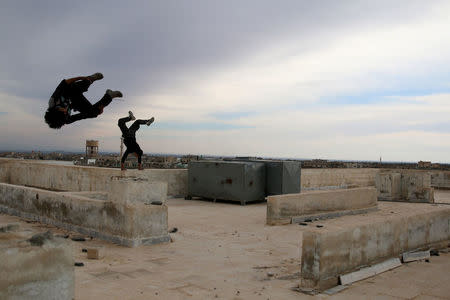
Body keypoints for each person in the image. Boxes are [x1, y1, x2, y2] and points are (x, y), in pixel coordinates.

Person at [44, 73, 123, 129]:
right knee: (93, 113)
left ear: (55, 109)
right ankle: (109, 95)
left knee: (73, 88)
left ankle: (90, 79)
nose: (65, 111)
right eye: (65, 114)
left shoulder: (53, 101)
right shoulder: (65, 119)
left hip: (71, 91)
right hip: (74, 103)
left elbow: (65, 83)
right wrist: (100, 109)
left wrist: (82, 78)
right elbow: (82, 116)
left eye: (63, 111)